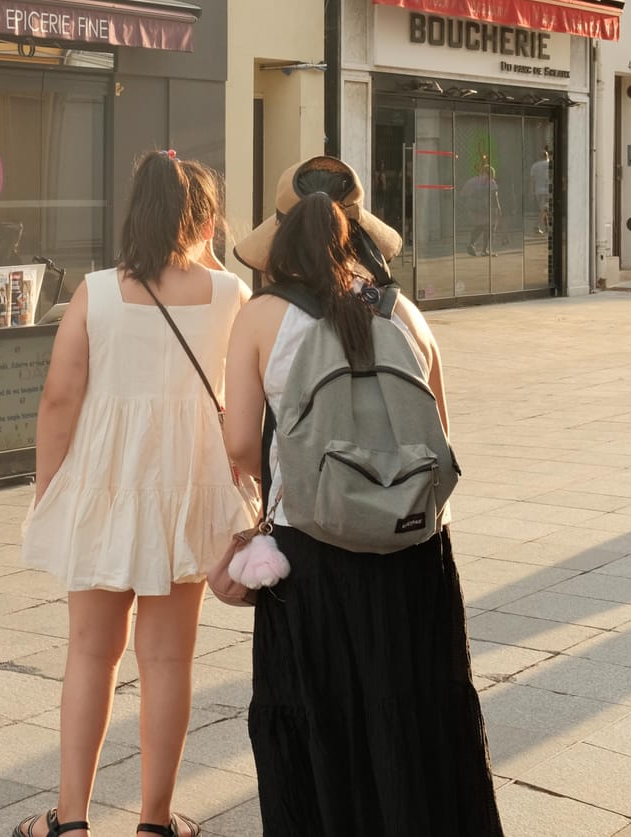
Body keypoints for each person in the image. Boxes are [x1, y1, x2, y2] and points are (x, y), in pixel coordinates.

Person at [222, 157, 501, 836]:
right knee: (414, 716)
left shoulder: (262, 315)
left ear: (280, 241)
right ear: (359, 234)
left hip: (310, 554)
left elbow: (238, 446)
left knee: (317, 722)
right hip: (413, 548)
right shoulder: (402, 308)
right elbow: (439, 430)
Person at [15, 152, 251, 837]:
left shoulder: (97, 291)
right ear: (204, 218)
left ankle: (70, 820)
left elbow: (60, 398)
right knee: (169, 658)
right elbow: (242, 403)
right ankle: (154, 821)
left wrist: (50, 489)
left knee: (90, 651)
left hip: (106, 483)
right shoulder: (230, 294)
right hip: (192, 485)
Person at [460, 157, 501, 257]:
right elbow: (494, 196)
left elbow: (463, 194)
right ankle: (485, 250)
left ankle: (471, 243)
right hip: (486, 208)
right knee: (490, 227)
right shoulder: (491, 182)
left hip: (473, 208)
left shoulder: (472, 180)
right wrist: (498, 208)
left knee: (480, 226)